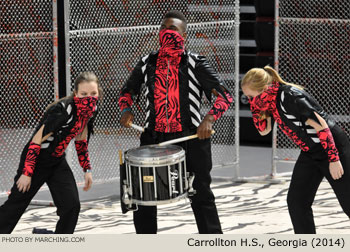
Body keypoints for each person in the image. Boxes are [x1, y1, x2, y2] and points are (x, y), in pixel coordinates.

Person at [118, 10, 233, 234]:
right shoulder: (146, 63)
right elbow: (126, 92)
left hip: (191, 138)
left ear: (184, 35)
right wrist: (126, 109)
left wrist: (209, 119)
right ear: (159, 33)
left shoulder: (195, 62)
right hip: (154, 138)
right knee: (143, 194)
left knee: (201, 195)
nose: (168, 33)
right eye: (165, 29)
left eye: (174, 30)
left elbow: (224, 96)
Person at [241, 66, 350, 233]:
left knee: (348, 201)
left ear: (263, 89)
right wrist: (257, 107)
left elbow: (321, 126)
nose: (249, 101)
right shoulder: (268, 100)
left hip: (332, 146)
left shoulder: (289, 96)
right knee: (297, 201)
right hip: (310, 151)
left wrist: (334, 159)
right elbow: (263, 130)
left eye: (250, 96)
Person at [0, 72, 102, 234]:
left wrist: (87, 169)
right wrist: (27, 172)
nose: (89, 98)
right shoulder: (62, 111)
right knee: (16, 204)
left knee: (72, 206)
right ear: (75, 94)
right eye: (84, 94)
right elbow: (36, 141)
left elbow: (81, 139)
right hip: (37, 159)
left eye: (93, 94)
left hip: (57, 161)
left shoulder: (92, 110)